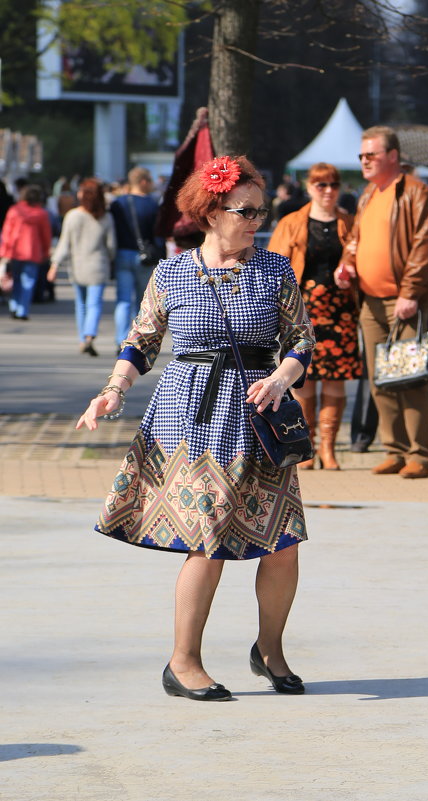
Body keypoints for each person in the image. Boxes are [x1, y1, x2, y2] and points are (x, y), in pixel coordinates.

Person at [76, 155, 315, 702]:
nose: (258, 220)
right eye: (246, 211)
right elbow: (141, 340)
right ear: (210, 212)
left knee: (282, 546)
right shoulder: (172, 273)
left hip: (261, 423)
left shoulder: (276, 270)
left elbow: (302, 342)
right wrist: (114, 389)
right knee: (206, 542)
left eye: (262, 210)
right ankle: (182, 663)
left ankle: (270, 651)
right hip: (194, 423)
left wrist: (282, 377)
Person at [336, 125, 428, 479]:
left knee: (409, 378)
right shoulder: (368, 193)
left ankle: (420, 454)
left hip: (403, 302)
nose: (364, 161)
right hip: (370, 302)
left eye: (371, 155)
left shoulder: (417, 192)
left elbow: (425, 247)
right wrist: (347, 265)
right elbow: (354, 238)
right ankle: (394, 450)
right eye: (362, 156)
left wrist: (410, 293)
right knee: (380, 381)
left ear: (392, 156)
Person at [269, 163, 360, 470]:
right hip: (301, 312)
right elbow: (275, 265)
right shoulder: (292, 222)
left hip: (340, 311)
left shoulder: (350, 222)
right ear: (309, 187)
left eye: (333, 185)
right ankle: (306, 445)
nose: (328, 191)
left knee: (335, 383)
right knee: (301, 382)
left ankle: (329, 449)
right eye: (321, 185)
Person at [48, 178, 117, 356]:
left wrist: (55, 264)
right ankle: (89, 335)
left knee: (81, 305)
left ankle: (82, 339)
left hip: (77, 266)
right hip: (98, 266)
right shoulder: (105, 216)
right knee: (94, 304)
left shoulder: (72, 216)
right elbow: (111, 245)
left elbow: (64, 243)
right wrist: (110, 258)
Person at [110, 166, 163, 349]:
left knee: (123, 299)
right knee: (144, 301)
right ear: (143, 182)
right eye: (150, 181)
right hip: (145, 256)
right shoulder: (152, 204)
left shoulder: (118, 204)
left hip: (123, 252)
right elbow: (158, 234)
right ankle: (136, 339)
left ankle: (120, 339)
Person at [0, 184, 52, 321]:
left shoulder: (14, 211)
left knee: (15, 280)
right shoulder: (41, 214)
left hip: (14, 251)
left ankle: (14, 306)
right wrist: (46, 251)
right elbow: (46, 235)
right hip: (33, 252)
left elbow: (7, 232)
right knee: (28, 282)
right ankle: (23, 309)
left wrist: (4, 251)